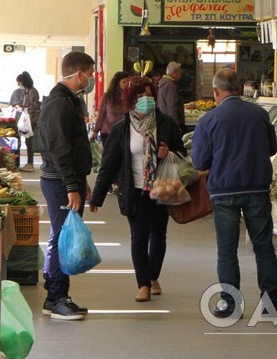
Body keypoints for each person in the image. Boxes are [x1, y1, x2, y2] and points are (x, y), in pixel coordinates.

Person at [191, 68, 277, 319]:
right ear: (238, 88)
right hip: (257, 188)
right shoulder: (259, 113)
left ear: (216, 91)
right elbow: (271, 148)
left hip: (223, 192)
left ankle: (229, 303)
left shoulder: (209, 120)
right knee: (264, 248)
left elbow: (200, 162)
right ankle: (271, 302)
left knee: (227, 250)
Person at [89, 76, 185, 302]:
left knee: (158, 235)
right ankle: (143, 284)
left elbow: (182, 153)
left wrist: (168, 152)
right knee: (139, 236)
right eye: (141, 96)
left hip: (162, 188)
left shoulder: (166, 124)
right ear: (132, 100)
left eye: (150, 96)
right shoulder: (122, 129)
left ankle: (153, 277)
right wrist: (97, 196)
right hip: (134, 190)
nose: (146, 100)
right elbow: (109, 164)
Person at [38, 51, 95, 321]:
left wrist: (81, 181)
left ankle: (54, 296)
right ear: (79, 74)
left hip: (67, 181)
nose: (92, 79)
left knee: (60, 236)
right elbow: (59, 149)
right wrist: (72, 184)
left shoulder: (68, 101)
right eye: (91, 74)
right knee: (64, 239)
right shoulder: (59, 104)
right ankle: (59, 298)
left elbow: (73, 147)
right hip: (59, 182)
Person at [14, 71, 40, 172]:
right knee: (27, 141)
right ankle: (29, 163)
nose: (19, 85)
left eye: (19, 83)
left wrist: (23, 108)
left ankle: (30, 163)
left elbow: (34, 106)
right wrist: (18, 105)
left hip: (31, 119)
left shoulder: (33, 91)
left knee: (29, 141)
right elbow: (24, 103)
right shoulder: (26, 91)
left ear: (24, 81)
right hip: (27, 119)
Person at [157, 61, 186, 134]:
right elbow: (172, 107)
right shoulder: (171, 86)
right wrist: (176, 126)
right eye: (180, 72)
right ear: (175, 73)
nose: (181, 74)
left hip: (164, 121)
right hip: (170, 123)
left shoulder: (163, 83)